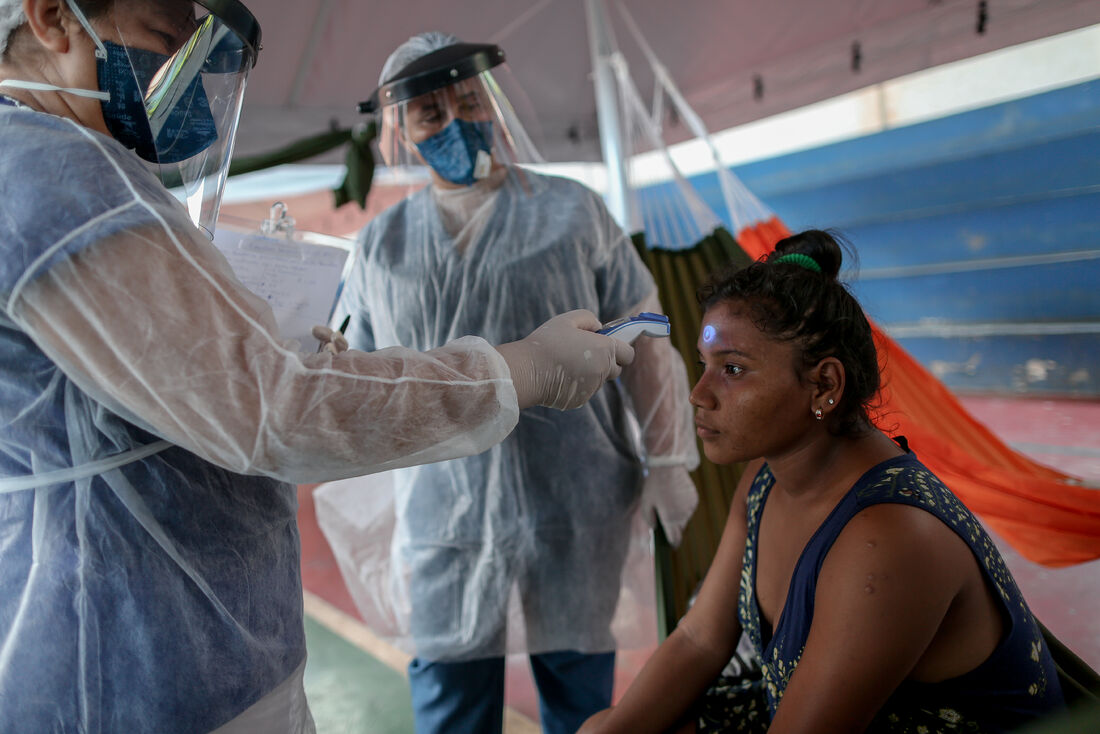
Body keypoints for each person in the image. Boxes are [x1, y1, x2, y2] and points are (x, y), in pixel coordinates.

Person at [0, 2, 636, 732]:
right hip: (137, 655)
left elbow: (173, 385)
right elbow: (275, 409)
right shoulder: (55, 176)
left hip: (167, 637)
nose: (186, 80)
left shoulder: (66, 165)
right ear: (52, 17)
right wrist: (518, 370)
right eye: (162, 43)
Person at [330, 32, 699, 734]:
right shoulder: (382, 247)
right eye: (430, 116)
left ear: (493, 104)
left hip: (577, 503)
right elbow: (362, 378)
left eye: (468, 102)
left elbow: (646, 326)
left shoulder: (573, 210)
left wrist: (669, 459)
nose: (455, 124)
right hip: (443, 520)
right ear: (399, 132)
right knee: (452, 708)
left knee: (584, 707)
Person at [578, 230, 1067, 734]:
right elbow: (701, 639)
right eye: (705, 367)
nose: (699, 395)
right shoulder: (765, 480)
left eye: (733, 369)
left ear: (825, 385)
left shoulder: (887, 541)